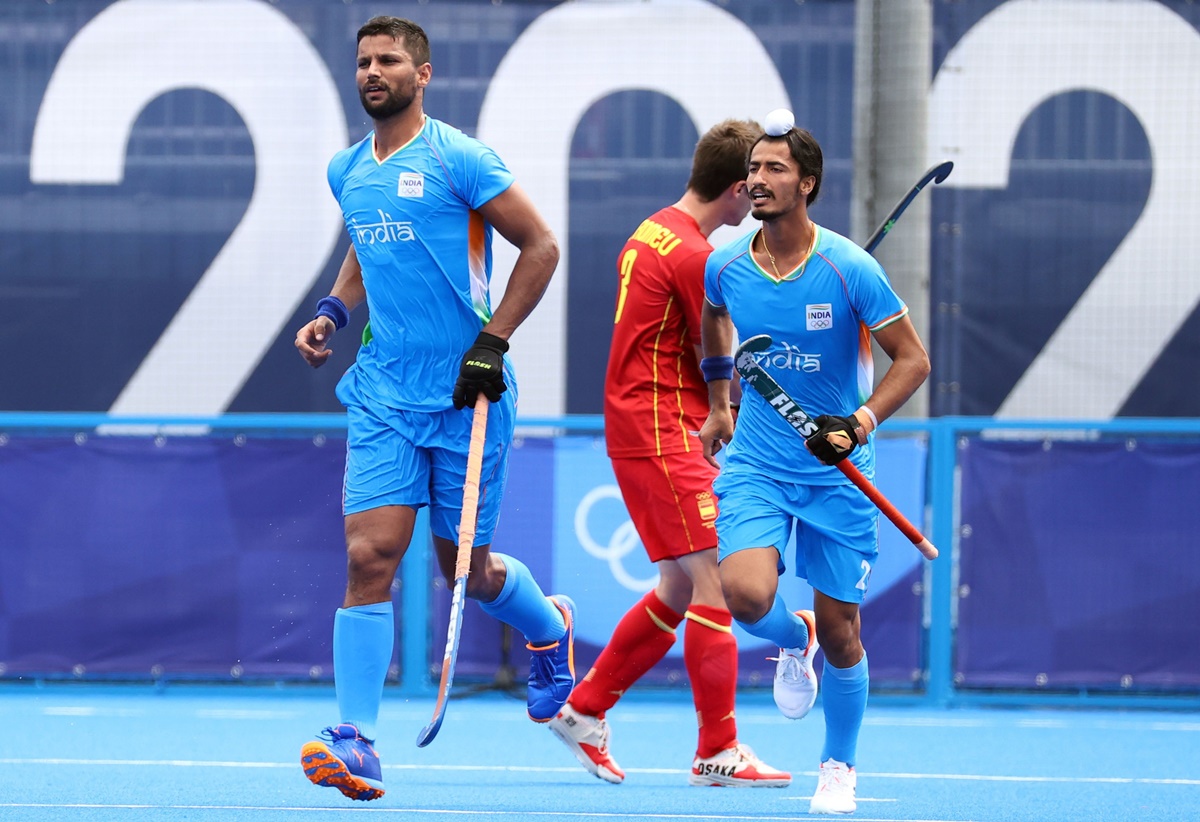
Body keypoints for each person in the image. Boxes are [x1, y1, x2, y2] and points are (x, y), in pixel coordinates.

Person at [293, 16, 575, 802]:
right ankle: (356, 739)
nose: (372, 72)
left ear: (423, 75)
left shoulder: (460, 158)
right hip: (383, 390)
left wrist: (495, 340)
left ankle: (549, 627)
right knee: (367, 556)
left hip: (467, 394)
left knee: (465, 571)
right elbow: (365, 244)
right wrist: (334, 312)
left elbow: (542, 245)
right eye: (363, 62)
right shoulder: (347, 169)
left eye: (388, 61)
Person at [697, 115, 931, 815]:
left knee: (843, 632)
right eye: (753, 170)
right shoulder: (726, 264)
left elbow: (913, 361)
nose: (757, 180)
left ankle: (838, 766)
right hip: (759, 465)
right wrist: (718, 402)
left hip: (838, 472)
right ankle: (788, 636)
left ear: (808, 184)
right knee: (742, 594)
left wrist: (857, 421)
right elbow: (713, 318)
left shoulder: (850, 269)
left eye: (773, 169)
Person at [547, 120, 790, 788]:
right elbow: (720, 338)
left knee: (678, 586)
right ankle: (718, 748)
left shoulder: (654, 228)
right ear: (738, 188)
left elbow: (710, 333)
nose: (762, 195)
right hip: (661, 428)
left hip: (646, 421)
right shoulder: (693, 256)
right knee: (713, 574)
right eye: (758, 181)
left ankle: (584, 709)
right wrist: (734, 400)